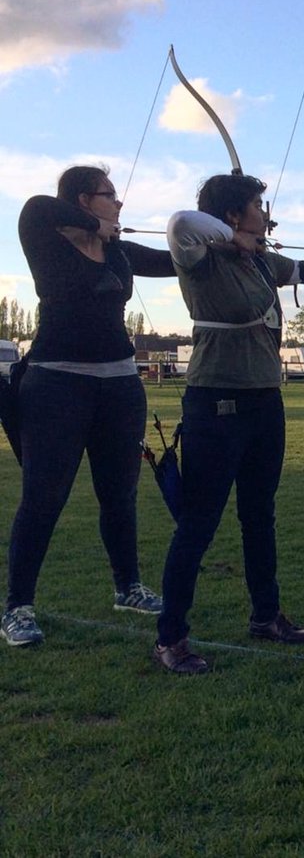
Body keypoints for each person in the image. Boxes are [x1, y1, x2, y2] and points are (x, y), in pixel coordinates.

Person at [153, 173, 304, 674]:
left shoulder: (262, 261)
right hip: (215, 399)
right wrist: (230, 235)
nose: (267, 214)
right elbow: (180, 224)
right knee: (198, 522)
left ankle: (266, 616)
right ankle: (171, 637)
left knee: (259, 515)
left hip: (265, 402)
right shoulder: (201, 258)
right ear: (235, 214)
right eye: (258, 206)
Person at [2, 166, 176, 647]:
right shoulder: (44, 235)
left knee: (119, 495)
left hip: (119, 385)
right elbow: (37, 204)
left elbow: (171, 259)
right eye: (109, 195)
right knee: (43, 498)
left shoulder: (117, 249)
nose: (118, 204)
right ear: (83, 200)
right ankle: (17, 607)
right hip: (57, 384)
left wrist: (218, 245)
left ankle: (128, 588)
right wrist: (96, 229)